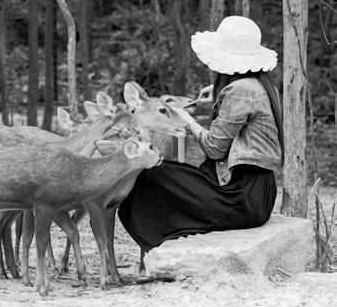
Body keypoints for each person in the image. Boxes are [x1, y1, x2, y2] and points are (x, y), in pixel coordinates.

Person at [117, 16, 284, 278]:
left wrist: (188, 119)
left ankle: (157, 248)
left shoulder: (240, 90)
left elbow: (215, 149)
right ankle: (161, 247)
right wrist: (218, 96)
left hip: (241, 196)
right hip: (252, 191)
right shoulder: (257, 84)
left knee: (150, 176)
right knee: (162, 169)